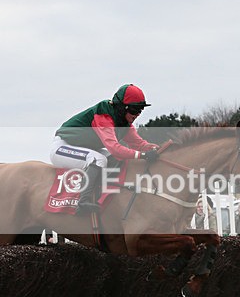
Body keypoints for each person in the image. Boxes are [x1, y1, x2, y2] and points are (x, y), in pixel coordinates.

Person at [49, 84, 159, 213]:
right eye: (134, 110)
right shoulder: (103, 117)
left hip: (83, 148)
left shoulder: (124, 123)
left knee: (114, 159)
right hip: (63, 147)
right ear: (122, 107)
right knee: (99, 159)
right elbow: (115, 148)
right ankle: (83, 202)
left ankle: (102, 194)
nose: (138, 114)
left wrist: (158, 149)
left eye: (141, 110)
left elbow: (139, 144)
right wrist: (143, 155)